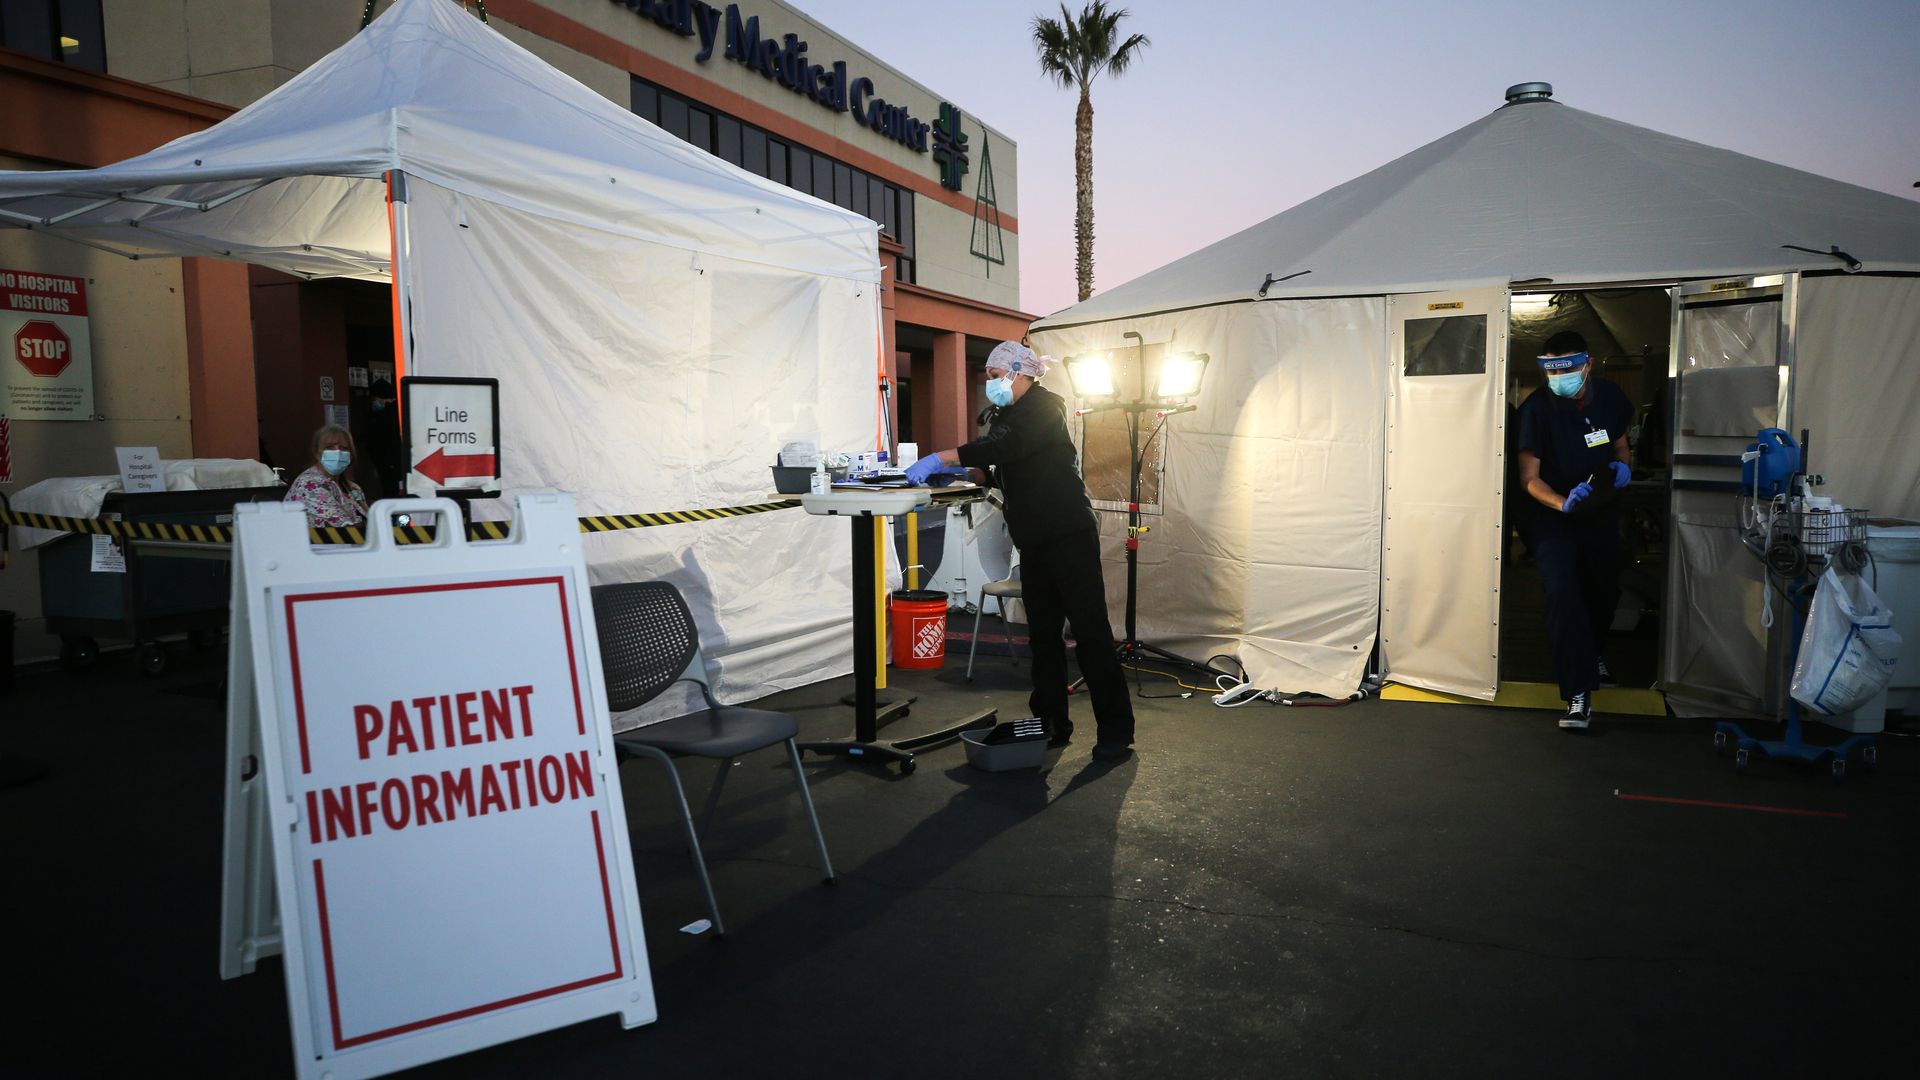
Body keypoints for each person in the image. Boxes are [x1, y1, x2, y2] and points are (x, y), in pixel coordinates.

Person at [904, 341, 1137, 761]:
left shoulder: (1047, 407)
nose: (991, 385)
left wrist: (942, 455)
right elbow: (1001, 465)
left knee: (1090, 633)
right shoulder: (1006, 415)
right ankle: (1051, 722)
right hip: (1032, 539)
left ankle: (1116, 731)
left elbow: (1009, 448)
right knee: (1043, 637)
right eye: (988, 378)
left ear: (1020, 372)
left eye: (996, 377)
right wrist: (964, 472)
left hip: (1067, 534)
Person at [1514, 331, 1634, 730]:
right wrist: (1563, 502)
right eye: (1553, 368)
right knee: (1564, 592)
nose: (1561, 375)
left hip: (1599, 511)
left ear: (1588, 365)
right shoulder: (1537, 410)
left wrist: (1624, 468)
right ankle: (1577, 693)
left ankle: (1591, 653)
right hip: (1552, 517)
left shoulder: (1611, 398)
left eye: (1568, 367)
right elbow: (1529, 479)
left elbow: (1620, 445)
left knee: (1604, 590)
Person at [285, 424, 370, 528]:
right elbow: (343, 526)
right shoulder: (308, 484)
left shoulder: (353, 488)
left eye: (344, 448)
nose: (338, 452)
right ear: (317, 453)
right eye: (330, 447)